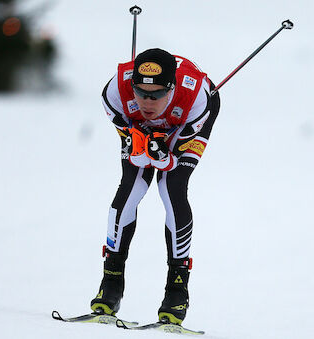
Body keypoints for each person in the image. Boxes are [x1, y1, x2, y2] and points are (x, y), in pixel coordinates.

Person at [90, 48, 221, 325]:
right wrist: (137, 142)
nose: (148, 102)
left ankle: (177, 291)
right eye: (141, 93)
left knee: (171, 187)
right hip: (137, 126)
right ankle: (110, 284)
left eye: (157, 95)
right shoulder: (115, 93)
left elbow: (171, 162)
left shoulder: (197, 99)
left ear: (171, 89)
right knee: (131, 186)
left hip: (184, 125)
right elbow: (126, 128)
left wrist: (162, 155)